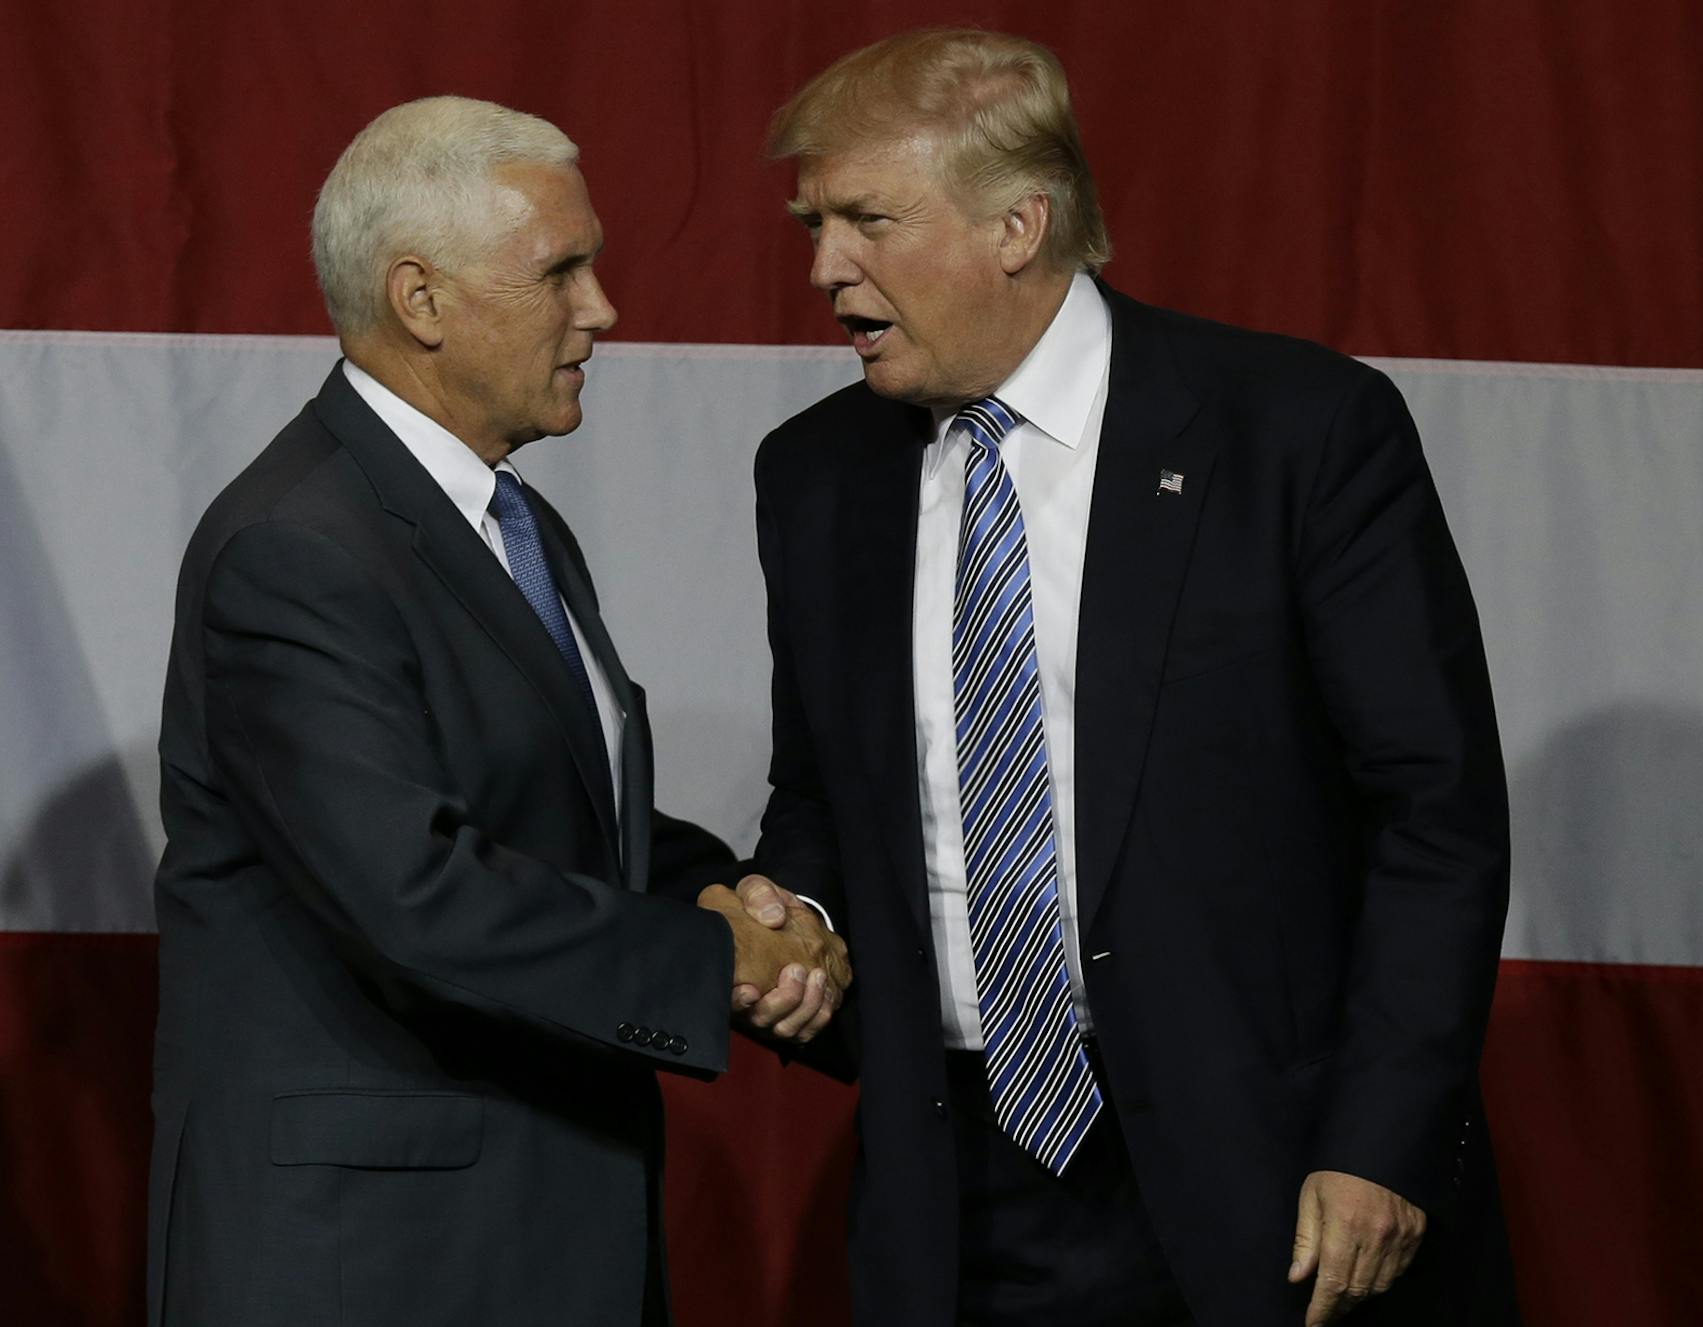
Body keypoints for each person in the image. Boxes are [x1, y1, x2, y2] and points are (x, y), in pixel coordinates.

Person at [744, 29, 1516, 1326]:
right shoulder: (816, 472)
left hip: (1271, 1175)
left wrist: (1382, 1136)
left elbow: (1433, 815)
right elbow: (823, 790)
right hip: (956, 1189)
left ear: (1017, 223)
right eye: (815, 223)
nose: (827, 268)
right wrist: (799, 918)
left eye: (868, 219)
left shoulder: (1297, 431)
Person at [146, 96, 847, 1327]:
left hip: (534, 1223)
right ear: (419, 299)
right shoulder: (297, 548)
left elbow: (550, 816)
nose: (603, 310)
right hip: (375, 1261)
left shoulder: (511, 522)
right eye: (560, 271)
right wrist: (717, 957)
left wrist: (736, 902)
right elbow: (415, 892)